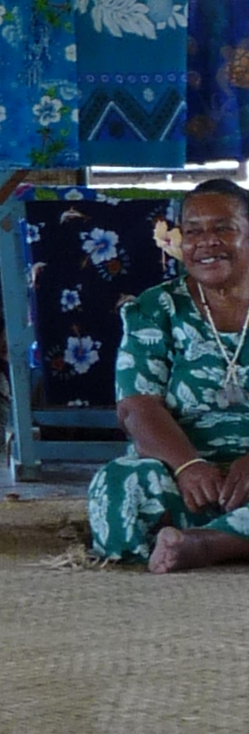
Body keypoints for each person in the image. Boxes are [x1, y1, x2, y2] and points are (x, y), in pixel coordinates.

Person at [89, 179, 249, 569]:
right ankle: (225, 535)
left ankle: (203, 545)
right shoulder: (156, 307)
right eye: (192, 232)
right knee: (119, 484)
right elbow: (136, 407)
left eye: (224, 228)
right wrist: (188, 466)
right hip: (184, 472)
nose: (207, 242)